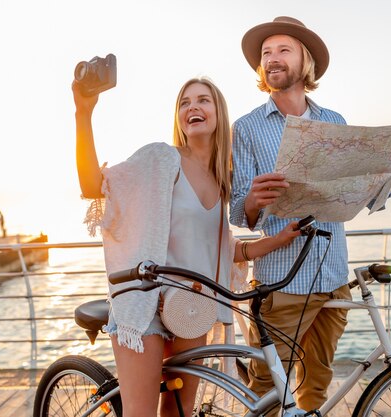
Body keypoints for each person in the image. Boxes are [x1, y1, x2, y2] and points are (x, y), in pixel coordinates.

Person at [73, 75, 301, 417]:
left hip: (190, 308)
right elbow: (93, 185)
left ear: (218, 113)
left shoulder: (223, 179)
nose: (193, 106)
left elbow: (224, 253)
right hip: (146, 302)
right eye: (184, 102)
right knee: (142, 414)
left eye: (203, 100)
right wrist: (83, 112)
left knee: (178, 412)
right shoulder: (161, 160)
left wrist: (278, 240)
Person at [230, 16, 391, 414]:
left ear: (306, 62)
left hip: (334, 276)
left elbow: (356, 194)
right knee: (267, 390)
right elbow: (238, 210)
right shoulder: (246, 128)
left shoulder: (334, 121)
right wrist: (252, 201)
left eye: (283, 50)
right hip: (281, 282)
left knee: (316, 385)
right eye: (266, 53)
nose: (272, 59)